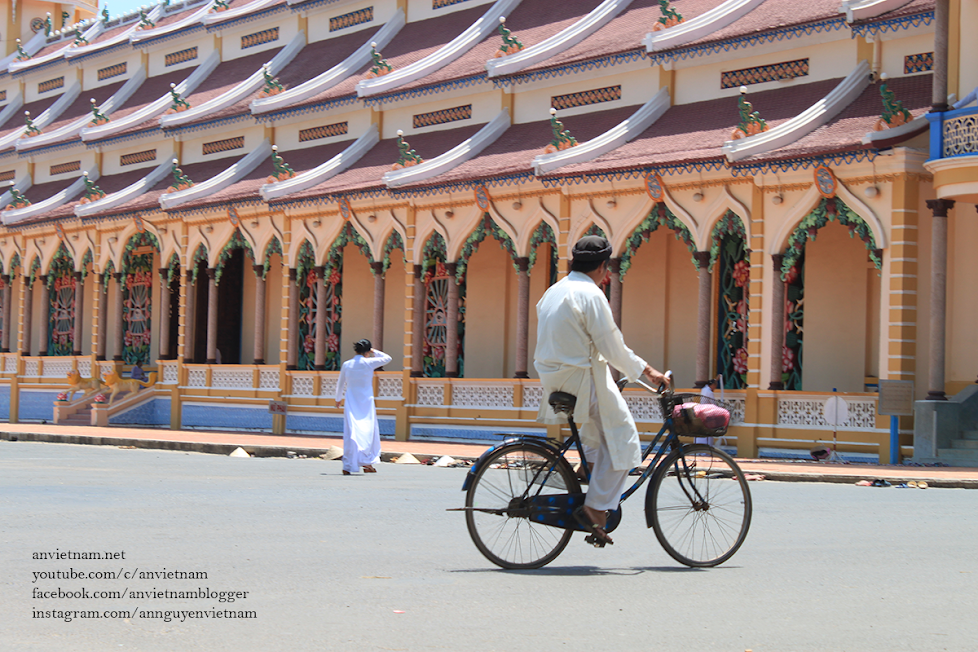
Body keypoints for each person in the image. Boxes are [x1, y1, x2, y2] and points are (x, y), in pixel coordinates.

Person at [534, 235, 669, 547]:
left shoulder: (554, 291)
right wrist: (648, 372)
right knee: (624, 440)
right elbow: (612, 346)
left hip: (557, 379)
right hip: (582, 379)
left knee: (601, 426)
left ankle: (590, 468)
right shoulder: (590, 295)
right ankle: (595, 509)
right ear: (602, 267)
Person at [335, 339, 392, 475]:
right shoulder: (369, 363)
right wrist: (373, 351)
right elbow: (388, 358)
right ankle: (367, 462)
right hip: (366, 403)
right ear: (367, 352)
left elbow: (340, 383)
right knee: (368, 432)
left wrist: (338, 399)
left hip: (351, 402)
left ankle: (348, 465)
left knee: (351, 432)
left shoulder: (347, 364)